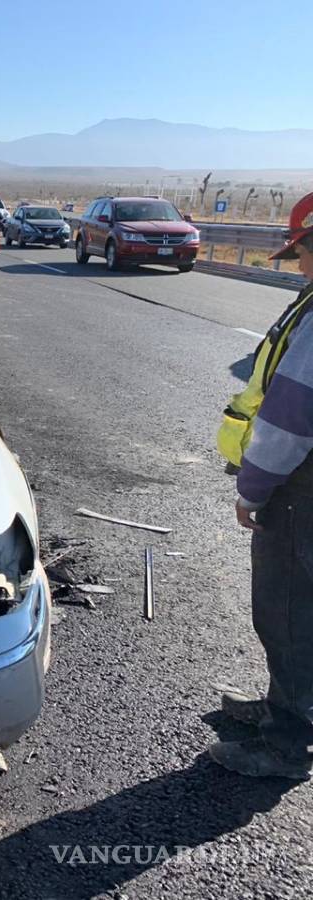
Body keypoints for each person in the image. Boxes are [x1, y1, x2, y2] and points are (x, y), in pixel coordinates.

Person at [212, 191, 313, 780]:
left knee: (289, 612)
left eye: (302, 253)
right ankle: (284, 709)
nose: (300, 265)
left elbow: (290, 417)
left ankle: (287, 745)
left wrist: (253, 490)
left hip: (302, 491)